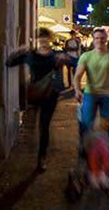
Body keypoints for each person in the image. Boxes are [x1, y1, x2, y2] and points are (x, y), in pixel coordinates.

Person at [6, 28, 72, 171]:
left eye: (45, 39)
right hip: (34, 94)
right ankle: (33, 153)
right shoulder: (30, 55)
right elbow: (9, 62)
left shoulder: (56, 56)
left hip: (50, 95)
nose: (43, 42)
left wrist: (67, 59)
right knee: (32, 124)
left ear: (50, 40)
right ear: (36, 40)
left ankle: (41, 158)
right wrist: (20, 50)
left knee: (44, 125)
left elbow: (73, 62)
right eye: (40, 39)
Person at [73, 27, 109, 189]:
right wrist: (77, 90)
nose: (99, 41)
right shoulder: (86, 56)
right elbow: (77, 76)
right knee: (85, 129)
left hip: (107, 95)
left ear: (106, 40)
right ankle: (86, 167)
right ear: (93, 40)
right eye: (97, 38)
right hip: (90, 94)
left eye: (102, 39)